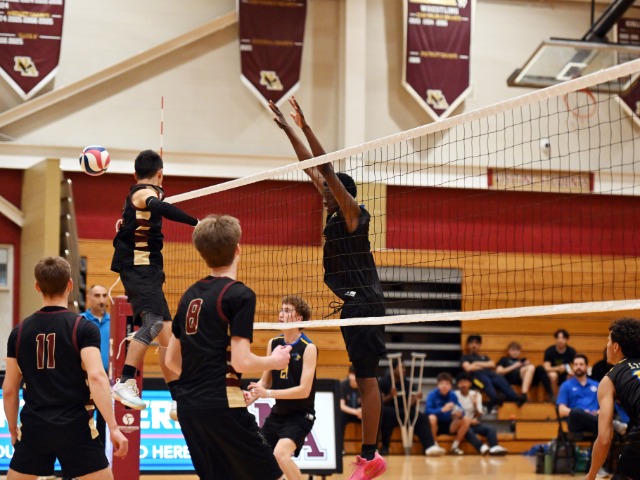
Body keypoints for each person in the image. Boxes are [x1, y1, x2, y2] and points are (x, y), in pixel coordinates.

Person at [270, 97, 386, 479]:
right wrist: (288, 129)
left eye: (328, 190)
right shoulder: (334, 211)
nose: (322, 193)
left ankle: (370, 457)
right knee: (362, 377)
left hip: (365, 304)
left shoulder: (353, 214)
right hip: (353, 305)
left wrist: (307, 126)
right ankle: (370, 456)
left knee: (366, 379)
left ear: (341, 193)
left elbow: (324, 168)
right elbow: (311, 168)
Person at [165, 214, 291, 480]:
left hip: (189, 407)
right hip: (223, 405)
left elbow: (171, 360)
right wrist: (275, 361)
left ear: (202, 253)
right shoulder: (239, 294)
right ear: (237, 249)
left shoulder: (189, 296)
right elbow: (242, 361)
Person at [2, 256, 128, 479]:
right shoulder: (83, 328)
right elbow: (97, 377)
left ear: (37, 287)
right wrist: (113, 427)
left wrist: (13, 430)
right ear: (70, 285)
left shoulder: (18, 332)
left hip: (34, 428)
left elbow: (10, 388)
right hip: (75, 427)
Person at [110, 149, 199, 414]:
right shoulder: (144, 192)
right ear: (160, 173)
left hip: (149, 270)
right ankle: (125, 381)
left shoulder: (140, 195)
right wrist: (196, 222)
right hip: (139, 269)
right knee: (153, 323)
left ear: (134, 173)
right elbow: (159, 206)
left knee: (167, 335)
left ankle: (178, 397)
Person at [247, 295, 317, 480]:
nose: (281, 314)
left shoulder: (308, 348)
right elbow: (265, 381)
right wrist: (249, 397)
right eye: (281, 310)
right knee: (259, 457)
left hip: (300, 416)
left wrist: (268, 393)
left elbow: (304, 390)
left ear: (299, 319)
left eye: (287, 311)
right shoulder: (274, 343)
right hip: (277, 415)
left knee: (280, 454)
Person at [585, 318, 640, 480]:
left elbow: (604, 438)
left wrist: (591, 475)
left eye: (608, 340)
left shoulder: (609, 380)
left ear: (616, 347)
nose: (607, 345)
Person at [378, 362, 445, 456]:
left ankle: (429, 446)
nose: (403, 370)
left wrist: (416, 399)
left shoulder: (408, 383)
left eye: (404, 368)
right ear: (393, 370)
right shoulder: (383, 382)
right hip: (390, 411)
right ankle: (385, 447)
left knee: (421, 417)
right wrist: (390, 396)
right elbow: (380, 402)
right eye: (400, 368)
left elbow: (410, 405)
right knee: (388, 412)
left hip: (405, 411)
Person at [557, 354, 627, 437]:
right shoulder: (566, 385)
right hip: (577, 423)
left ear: (587, 366)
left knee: (607, 412)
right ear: (573, 367)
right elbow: (561, 411)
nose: (578, 367)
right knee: (575, 412)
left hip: (595, 421)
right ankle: (612, 425)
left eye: (581, 364)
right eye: (576, 364)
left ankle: (605, 424)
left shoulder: (597, 385)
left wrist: (600, 411)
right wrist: (583, 413)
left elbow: (605, 405)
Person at [461, 335, 524, 412]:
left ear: (479, 345)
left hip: (488, 374)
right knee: (486, 380)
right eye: (471, 343)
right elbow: (468, 368)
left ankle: (516, 398)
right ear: (468, 345)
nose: (474, 345)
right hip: (474, 378)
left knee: (499, 378)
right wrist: (484, 366)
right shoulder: (465, 357)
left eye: (477, 343)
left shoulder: (484, 357)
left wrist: (476, 363)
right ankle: (495, 399)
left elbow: (492, 364)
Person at [80, 284, 111, 441]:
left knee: (105, 421)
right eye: (97, 295)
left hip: (107, 379)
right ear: (88, 298)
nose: (101, 300)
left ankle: (102, 453)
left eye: (104, 295)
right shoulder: (80, 321)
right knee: (85, 421)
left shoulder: (114, 322)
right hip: (84, 380)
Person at [454, 373, 508, 456]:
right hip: (460, 424)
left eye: (465, 382)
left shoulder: (476, 394)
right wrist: (469, 421)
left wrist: (475, 404)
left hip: (473, 423)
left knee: (490, 429)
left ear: (470, 383)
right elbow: (455, 414)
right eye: (461, 382)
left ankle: (494, 447)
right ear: (458, 384)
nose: (463, 384)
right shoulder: (454, 395)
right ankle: (481, 447)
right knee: (467, 430)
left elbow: (479, 414)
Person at [425, 372, 473, 455]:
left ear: (450, 386)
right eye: (441, 384)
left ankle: (455, 447)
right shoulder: (432, 395)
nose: (444, 386)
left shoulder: (452, 395)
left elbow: (461, 409)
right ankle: (434, 445)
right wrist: (442, 409)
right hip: (435, 425)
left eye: (447, 384)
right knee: (432, 417)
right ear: (437, 385)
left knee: (466, 419)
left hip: (449, 425)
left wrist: (459, 413)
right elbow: (427, 411)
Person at [543, 329, 577, 398]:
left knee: (572, 375)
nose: (560, 340)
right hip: (553, 372)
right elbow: (546, 368)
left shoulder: (571, 351)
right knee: (553, 375)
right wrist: (558, 368)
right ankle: (554, 398)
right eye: (558, 338)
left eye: (563, 338)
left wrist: (571, 371)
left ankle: (568, 398)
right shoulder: (549, 351)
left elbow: (575, 365)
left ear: (567, 339)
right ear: (555, 339)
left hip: (566, 373)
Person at [340, 365, 363, 440]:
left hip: (361, 413)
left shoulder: (365, 386)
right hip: (348, 412)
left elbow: (370, 403)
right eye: (353, 374)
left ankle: (371, 445)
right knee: (340, 417)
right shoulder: (343, 385)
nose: (355, 378)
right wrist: (355, 412)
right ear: (349, 375)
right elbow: (342, 406)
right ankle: (339, 445)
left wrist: (364, 412)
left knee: (372, 418)